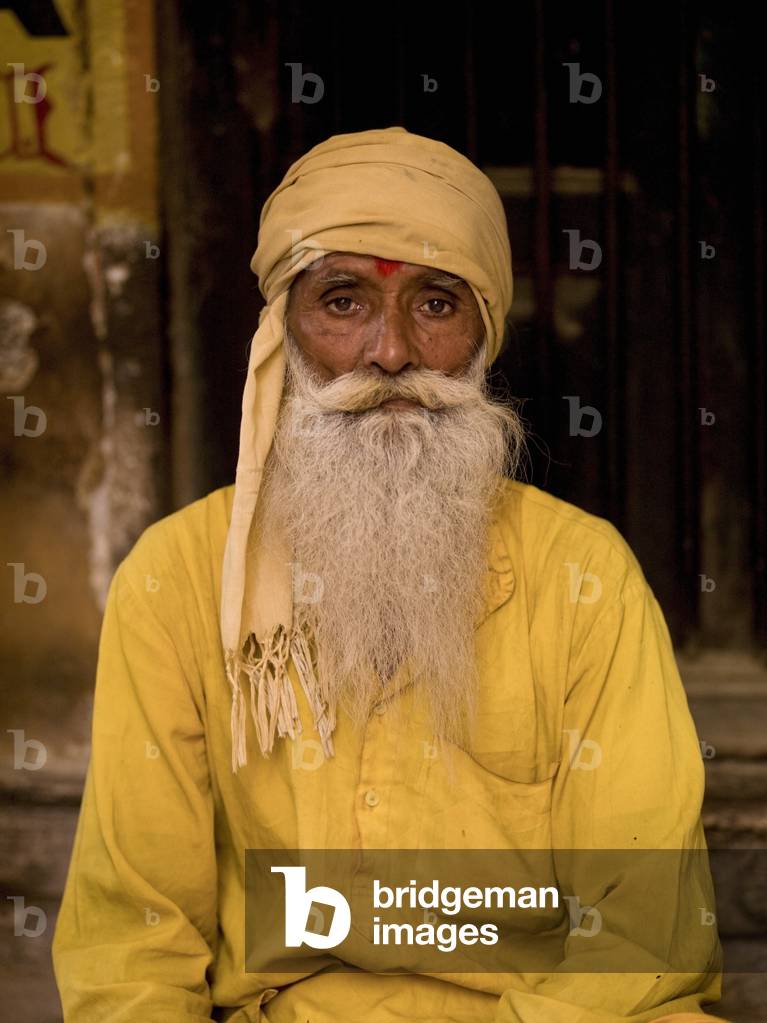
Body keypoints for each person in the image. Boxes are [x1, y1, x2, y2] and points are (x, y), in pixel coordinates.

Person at [52, 126, 731, 1022]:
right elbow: (134, 941)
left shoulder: (584, 577)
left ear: (484, 334)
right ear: (283, 334)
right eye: (343, 302)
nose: (390, 353)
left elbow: (640, 931)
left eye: (436, 305)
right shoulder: (175, 578)